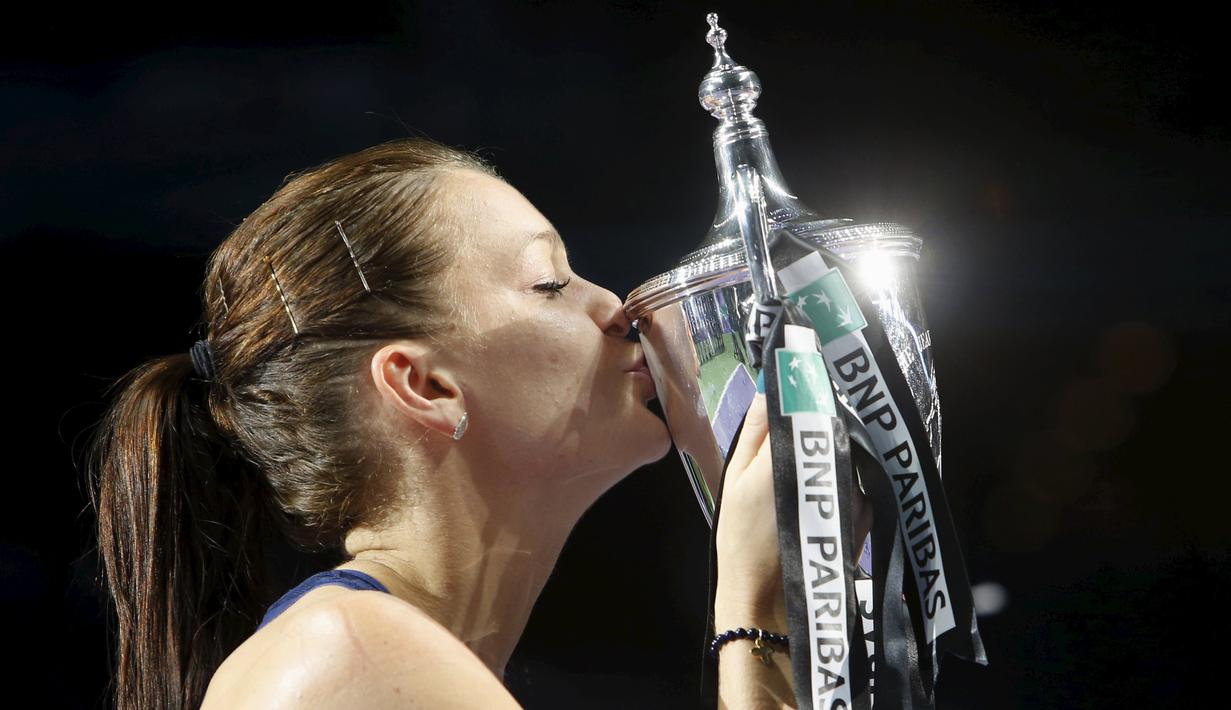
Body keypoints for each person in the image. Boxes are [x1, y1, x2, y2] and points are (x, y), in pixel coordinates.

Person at [87, 137, 859, 709]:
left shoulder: (392, 657)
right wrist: (757, 612)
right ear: (424, 384)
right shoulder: (351, 658)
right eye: (549, 282)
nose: (618, 307)